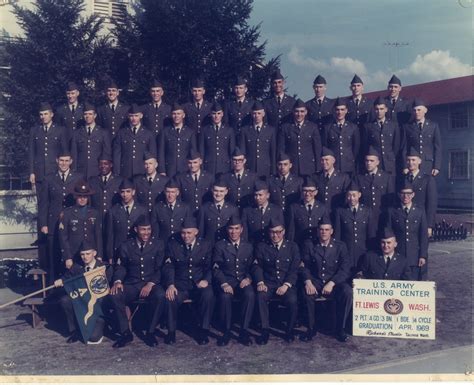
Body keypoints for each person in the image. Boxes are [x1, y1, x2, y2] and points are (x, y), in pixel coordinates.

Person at [110, 215, 166, 348]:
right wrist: (117, 281)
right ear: (136, 230)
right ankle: (125, 333)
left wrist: (151, 283)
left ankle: (150, 331)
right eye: (143, 229)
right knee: (115, 295)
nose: (146, 233)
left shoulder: (158, 244)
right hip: (132, 284)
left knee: (160, 296)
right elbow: (121, 266)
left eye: (148, 229)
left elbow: (160, 268)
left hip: (151, 284)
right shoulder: (126, 245)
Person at [163, 217, 215, 345]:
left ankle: (203, 331)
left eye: (189, 233)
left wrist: (206, 280)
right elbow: (169, 266)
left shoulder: (205, 245)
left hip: (199, 284)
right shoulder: (173, 245)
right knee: (170, 297)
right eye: (183, 233)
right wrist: (170, 284)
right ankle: (171, 332)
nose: (185, 236)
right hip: (180, 286)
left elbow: (210, 267)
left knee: (208, 295)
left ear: (196, 232)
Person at [299, 219, 352, 343]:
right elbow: (303, 266)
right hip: (315, 281)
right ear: (318, 231)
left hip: (334, 282)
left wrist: (332, 282)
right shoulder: (309, 244)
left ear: (331, 231)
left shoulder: (340, 246)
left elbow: (345, 268)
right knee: (306, 293)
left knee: (347, 292)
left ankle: (340, 329)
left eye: (327, 230)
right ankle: (311, 329)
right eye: (321, 229)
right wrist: (308, 281)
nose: (324, 232)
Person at [252, 219, 300, 344]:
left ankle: (289, 331)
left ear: (283, 232)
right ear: (269, 233)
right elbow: (257, 267)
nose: (275, 235)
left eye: (278, 232)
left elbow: (294, 269)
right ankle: (265, 330)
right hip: (269, 283)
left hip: (286, 284)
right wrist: (260, 282)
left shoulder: (292, 247)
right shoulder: (262, 246)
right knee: (260, 296)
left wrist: (286, 285)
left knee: (292, 300)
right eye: (272, 232)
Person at [54, 241, 112, 344]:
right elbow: (66, 278)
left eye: (88, 254)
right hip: (82, 304)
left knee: (93, 338)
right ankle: (75, 330)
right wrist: (60, 281)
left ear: (94, 253)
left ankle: (103, 325)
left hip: (98, 307)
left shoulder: (103, 267)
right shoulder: (77, 267)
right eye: (82, 254)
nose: (85, 257)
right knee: (65, 300)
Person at [39, 152, 84, 281]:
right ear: (57, 160)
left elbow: (82, 200)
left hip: (72, 223)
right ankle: (53, 289)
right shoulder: (49, 179)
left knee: (71, 255)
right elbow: (43, 203)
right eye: (61, 160)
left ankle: (71, 287)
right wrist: (43, 224)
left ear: (71, 161)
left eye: (66, 160)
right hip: (53, 223)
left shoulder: (78, 177)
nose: (64, 163)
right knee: (54, 256)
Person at [212, 216, 255, 346]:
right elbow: (216, 268)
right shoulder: (220, 246)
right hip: (227, 280)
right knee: (225, 297)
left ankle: (243, 330)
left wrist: (249, 278)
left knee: (250, 294)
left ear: (241, 229)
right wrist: (224, 283)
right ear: (227, 230)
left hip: (243, 280)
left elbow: (254, 266)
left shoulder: (248, 246)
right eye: (231, 229)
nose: (234, 232)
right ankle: (226, 331)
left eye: (236, 229)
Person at [384, 181, 429, 281]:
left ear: (413, 195)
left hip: (414, 256)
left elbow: (423, 236)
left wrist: (422, 255)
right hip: (398, 255)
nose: (406, 196)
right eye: (403, 193)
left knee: (413, 284)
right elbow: (389, 234)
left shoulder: (419, 211)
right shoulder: (392, 211)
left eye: (408, 194)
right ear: (399, 195)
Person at [58, 181, 102, 269]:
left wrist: (99, 254)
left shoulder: (94, 213)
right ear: (75, 197)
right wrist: (68, 257)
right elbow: (63, 237)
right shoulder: (67, 213)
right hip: (74, 254)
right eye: (80, 196)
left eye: (85, 197)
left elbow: (98, 235)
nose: (82, 199)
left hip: (90, 255)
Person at [334, 181, 375, 276]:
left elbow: (371, 234)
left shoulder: (367, 211)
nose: (351, 198)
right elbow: (337, 235)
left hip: (363, 252)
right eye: (349, 195)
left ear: (359, 195)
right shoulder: (340, 211)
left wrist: (370, 253)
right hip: (346, 252)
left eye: (354, 195)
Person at [105, 179, 148, 264]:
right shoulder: (113, 211)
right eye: (122, 192)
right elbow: (110, 235)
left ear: (133, 192)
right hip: (119, 251)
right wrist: (110, 255)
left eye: (128, 191)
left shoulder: (142, 210)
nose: (125, 195)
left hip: (137, 250)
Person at [29, 102, 68, 191]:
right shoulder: (34, 130)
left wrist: (64, 171)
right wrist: (31, 172)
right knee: (41, 202)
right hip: (39, 173)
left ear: (52, 114)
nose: (43, 117)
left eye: (46, 114)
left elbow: (64, 152)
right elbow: (31, 153)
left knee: (56, 201)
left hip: (55, 171)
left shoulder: (60, 130)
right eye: (41, 114)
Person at [278, 99, 322, 177]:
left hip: (308, 167)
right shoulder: (285, 127)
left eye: (302, 111)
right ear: (293, 112)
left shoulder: (312, 127)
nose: (299, 114)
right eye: (297, 111)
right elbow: (281, 149)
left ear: (306, 112)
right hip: (292, 167)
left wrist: (318, 167)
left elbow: (317, 149)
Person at [354, 147, 395, 228]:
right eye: (367, 160)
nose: (369, 163)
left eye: (372, 161)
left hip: (382, 216)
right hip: (364, 217)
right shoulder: (359, 178)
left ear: (378, 162)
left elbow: (391, 200)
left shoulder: (386, 177)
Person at [113, 104, 157, 179]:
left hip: (142, 171)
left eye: (136, 116)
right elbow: (117, 154)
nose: (134, 118)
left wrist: (151, 171)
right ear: (128, 116)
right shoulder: (121, 133)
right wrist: (117, 171)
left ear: (141, 116)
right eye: (131, 116)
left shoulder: (148, 134)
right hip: (125, 171)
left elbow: (152, 155)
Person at [71, 102, 112, 179]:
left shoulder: (103, 133)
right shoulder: (76, 133)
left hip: (97, 170)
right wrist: (74, 171)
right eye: (85, 114)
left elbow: (106, 153)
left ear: (95, 115)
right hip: (81, 171)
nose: (87, 116)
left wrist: (104, 170)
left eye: (90, 114)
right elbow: (74, 154)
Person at [402, 98, 442, 177]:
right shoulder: (407, 127)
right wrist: (405, 166)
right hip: (412, 165)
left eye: (419, 110)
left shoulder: (433, 126)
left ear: (425, 110)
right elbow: (404, 148)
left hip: (428, 165)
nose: (417, 112)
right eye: (414, 110)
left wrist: (436, 167)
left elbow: (438, 148)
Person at [403, 147, 438, 235]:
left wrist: (429, 225)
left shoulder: (428, 179)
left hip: (421, 221)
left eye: (413, 160)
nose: (411, 163)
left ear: (419, 161)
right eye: (408, 160)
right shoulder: (402, 179)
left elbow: (431, 204)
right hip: (405, 220)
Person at [362, 96, 401, 175]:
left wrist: (391, 157)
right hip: (375, 164)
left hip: (390, 163)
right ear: (374, 110)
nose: (379, 111)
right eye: (377, 109)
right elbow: (366, 146)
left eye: (381, 109)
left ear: (386, 109)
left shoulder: (393, 125)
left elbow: (396, 145)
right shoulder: (368, 127)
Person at [322, 97, 360, 175]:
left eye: (342, 110)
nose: (340, 112)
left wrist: (352, 160)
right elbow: (325, 147)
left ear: (346, 111)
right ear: (334, 111)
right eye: (337, 110)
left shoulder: (353, 127)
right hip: (333, 165)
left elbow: (356, 147)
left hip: (349, 165)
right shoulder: (327, 128)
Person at [239, 101, 277, 178]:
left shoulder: (270, 130)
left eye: (259, 113)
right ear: (251, 114)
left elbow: (273, 152)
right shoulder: (245, 130)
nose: (256, 116)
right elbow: (243, 152)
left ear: (263, 114)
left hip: (265, 168)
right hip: (249, 168)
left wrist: (273, 170)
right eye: (254, 113)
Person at [158, 103, 197, 177]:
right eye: (174, 114)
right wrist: (162, 170)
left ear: (183, 115)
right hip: (169, 168)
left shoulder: (190, 132)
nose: (176, 116)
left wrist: (193, 168)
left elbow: (193, 152)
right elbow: (161, 152)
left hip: (185, 169)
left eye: (179, 114)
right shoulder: (165, 132)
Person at [287, 178, 329, 244]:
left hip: (317, 245)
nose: (307, 194)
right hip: (300, 244)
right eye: (305, 191)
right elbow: (291, 230)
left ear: (316, 192)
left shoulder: (322, 208)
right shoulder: (294, 207)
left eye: (311, 191)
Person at [199, 101, 235, 176]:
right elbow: (201, 150)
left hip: (225, 166)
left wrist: (232, 167)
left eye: (218, 113)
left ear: (222, 114)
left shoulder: (229, 130)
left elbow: (232, 151)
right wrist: (201, 166)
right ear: (210, 114)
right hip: (209, 166)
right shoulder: (204, 130)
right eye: (214, 113)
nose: (216, 116)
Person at [313, 147, 350, 217]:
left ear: (333, 160)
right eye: (322, 160)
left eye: (327, 160)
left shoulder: (343, 177)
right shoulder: (315, 177)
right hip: (320, 215)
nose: (324, 162)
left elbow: (346, 198)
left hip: (336, 214)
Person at [88, 156, 123, 230]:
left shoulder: (119, 181)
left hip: (113, 220)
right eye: (100, 164)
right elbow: (89, 202)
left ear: (111, 165)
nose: (103, 166)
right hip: (97, 220)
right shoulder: (92, 181)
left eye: (106, 164)